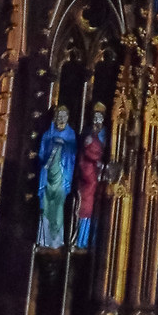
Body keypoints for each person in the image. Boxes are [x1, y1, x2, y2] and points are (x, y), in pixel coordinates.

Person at [37, 105, 76, 247]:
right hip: (48, 176)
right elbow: (42, 153)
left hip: (61, 176)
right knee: (46, 206)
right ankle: (44, 239)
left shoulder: (70, 135)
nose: (61, 118)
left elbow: (73, 154)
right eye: (59, 115)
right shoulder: (48, 134)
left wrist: (63, 145)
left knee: (58, 207)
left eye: (64, 116)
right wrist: (53, 145)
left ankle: (55, 240)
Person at [71, 104, 107, 249]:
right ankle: (81, 239)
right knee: (85, 207)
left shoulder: (105, 133)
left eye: (100, 117)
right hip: (88, 173)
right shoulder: (88, 133)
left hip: (99, 174)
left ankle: (92, 240)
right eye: (95, 117)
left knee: (97, 208)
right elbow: (85, 151)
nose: (97, 120)